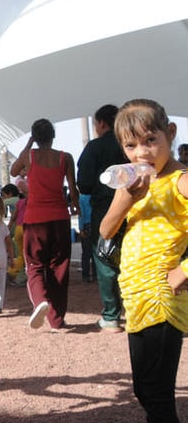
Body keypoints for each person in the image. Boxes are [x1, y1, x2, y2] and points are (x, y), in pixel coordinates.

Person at [99, 99, 188, 423]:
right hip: (135, 298)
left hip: (162, 297)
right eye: (131, 145)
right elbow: (106, 231)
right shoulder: (132, 183)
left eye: (151, 141)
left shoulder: (180, 180)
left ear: (170, 134)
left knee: (155, 391)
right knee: (146, 390)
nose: (142, 153)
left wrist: (184, 269)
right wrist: (124, 201)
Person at [11, 118, 79, 332]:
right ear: (53, 136)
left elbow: (14, 171)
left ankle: (40, 300)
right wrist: (75, 206)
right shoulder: (65, 158)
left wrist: (29, 144)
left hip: (35, 218)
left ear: (34, 137)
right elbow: (72, 188)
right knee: (59, 266)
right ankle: (57, 319)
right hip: (60, 216)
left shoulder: (28, 157)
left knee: (35, 265)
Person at [76, 104, 127, 332]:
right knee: (134, 255)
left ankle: (112, 316)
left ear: (102, 123)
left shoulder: (94, 148)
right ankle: (138, 311)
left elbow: (84, 185)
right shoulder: (130, 144)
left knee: (105, 258)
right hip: (137, 207)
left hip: (105, 209)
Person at [77, 193, 94, 283]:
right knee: (95, 252)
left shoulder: (82, 197)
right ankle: (95, 275)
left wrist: (81, 228)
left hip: (86, 225)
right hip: (95, 224)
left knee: (85, 253)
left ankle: (85, 275)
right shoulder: (95, 195)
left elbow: (81, 214)